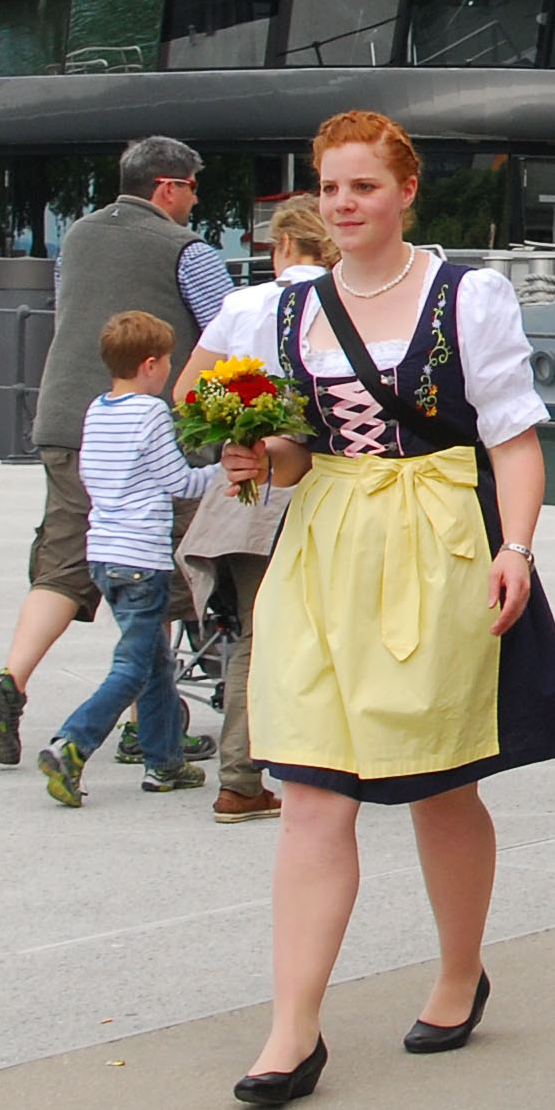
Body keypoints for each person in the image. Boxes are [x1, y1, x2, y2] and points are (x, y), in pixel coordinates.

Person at [218, 112, 555, 1109]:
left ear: (405, 192)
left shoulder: (465, 295)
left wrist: (516, 549)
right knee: (309, 788)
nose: (343, 204)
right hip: (325, 544)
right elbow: (296, 457)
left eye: (363, 187)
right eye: (330, 187)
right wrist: (256, 454)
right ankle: (292, 1028)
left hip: (437, 539)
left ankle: (460, 972)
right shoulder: (284, 310)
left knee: (438, 781)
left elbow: (512, 439)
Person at [0, 136, 235, 768]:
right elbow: (229, 330)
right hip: (153, 424)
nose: (195, 202)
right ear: (168, 187)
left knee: (63, 561)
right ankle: (147, 727)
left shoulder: (76, 237)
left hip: (70, 419)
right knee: (156, 561)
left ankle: (10, 681)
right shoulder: (187, 250)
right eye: (193, 188)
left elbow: (69, 308)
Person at [175, 196, 337, 825]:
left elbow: (187, 391)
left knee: (254, 631)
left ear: (283, 244)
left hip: (247, 490)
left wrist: (240, 429)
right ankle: (330, 762)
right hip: (325, 484)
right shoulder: (347, 301)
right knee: (333, 627)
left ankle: (240, 779)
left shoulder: (242, 304)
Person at [32, 308, 226, 806]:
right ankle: (72, 743)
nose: (170, 369)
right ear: (149, 364)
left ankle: (165, 762)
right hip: (143, 557)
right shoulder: (150, 413)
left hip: (104, 555)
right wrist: (225, 471)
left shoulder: (98, 409)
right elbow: (179, 481)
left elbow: (93, 477)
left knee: (157, 663)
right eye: (168, 361)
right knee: (134, 667)